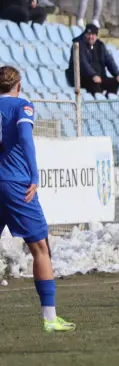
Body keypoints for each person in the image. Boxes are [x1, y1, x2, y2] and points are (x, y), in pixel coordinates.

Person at [0, 66, 76, 333]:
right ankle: (50, 318)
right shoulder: (23, 106)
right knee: (41, 248)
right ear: (18, 86)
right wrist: (34, 175)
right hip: (16, 183)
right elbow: (24, 137)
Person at [65, 23, 119, 97]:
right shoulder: (78, 44)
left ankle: (107, 102)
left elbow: (108, 59)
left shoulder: (100, 45)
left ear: (96, 36)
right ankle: (97, 104)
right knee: (95, 84)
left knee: (115, 82)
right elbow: (83, 63)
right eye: (88, 34)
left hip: (98, 77)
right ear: (85, 34)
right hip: (82, 77)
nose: (90, 37)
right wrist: (93, 75)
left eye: (93, 35)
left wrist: (116, 74)